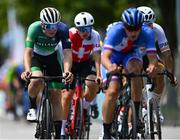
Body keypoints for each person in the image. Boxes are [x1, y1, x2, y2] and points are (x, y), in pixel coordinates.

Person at [101, 8, 158, 139]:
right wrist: (110, 67)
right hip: (114, 57)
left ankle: (135, 114)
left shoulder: (147, 32)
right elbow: (105, 57)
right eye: (129, 28)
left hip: (131, 55)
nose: (133, 32)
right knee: (112, 91)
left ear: (141, 26)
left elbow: (152, 57)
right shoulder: (116, 31)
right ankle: (106, 131)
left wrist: (152, 66)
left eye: (137, 28)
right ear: (124, 26)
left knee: (136, 71)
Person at [21, 7, 73, 139]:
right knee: (36, 78)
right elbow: (28, 51)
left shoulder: (63, 29)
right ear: (42, 24)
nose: (52, 29)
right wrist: (27, 70)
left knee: (56, 96)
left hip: (52, 58)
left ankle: (57, 134)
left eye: (55, 25)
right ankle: (32, 106)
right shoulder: (34, 28)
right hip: (36, 57)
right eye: (49, 26)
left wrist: (67, 71)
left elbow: (67, 52)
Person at [60, 12, 101, 137]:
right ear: (77, 29)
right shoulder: (70, 34)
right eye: (82, 29)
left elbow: (97, 55)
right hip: (71, 64)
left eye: (88, 28)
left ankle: (86, 106)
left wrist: (99, 74)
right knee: (67, 95)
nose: (85, 32)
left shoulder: (95, 35)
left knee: (93, 82)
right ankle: (61, 130)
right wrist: (64, 71)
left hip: (85, 63)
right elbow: (62, 54)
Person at [137, 6, 177, 122]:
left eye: (150, 24)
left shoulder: (157, 29)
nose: (148, 27)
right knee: (136, 75)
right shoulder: (132, 29)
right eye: (144, 25)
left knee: (160, 73)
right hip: (133, 56)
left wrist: (170, 74)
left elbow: (167, 54)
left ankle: (155, 106)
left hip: (149, 55)